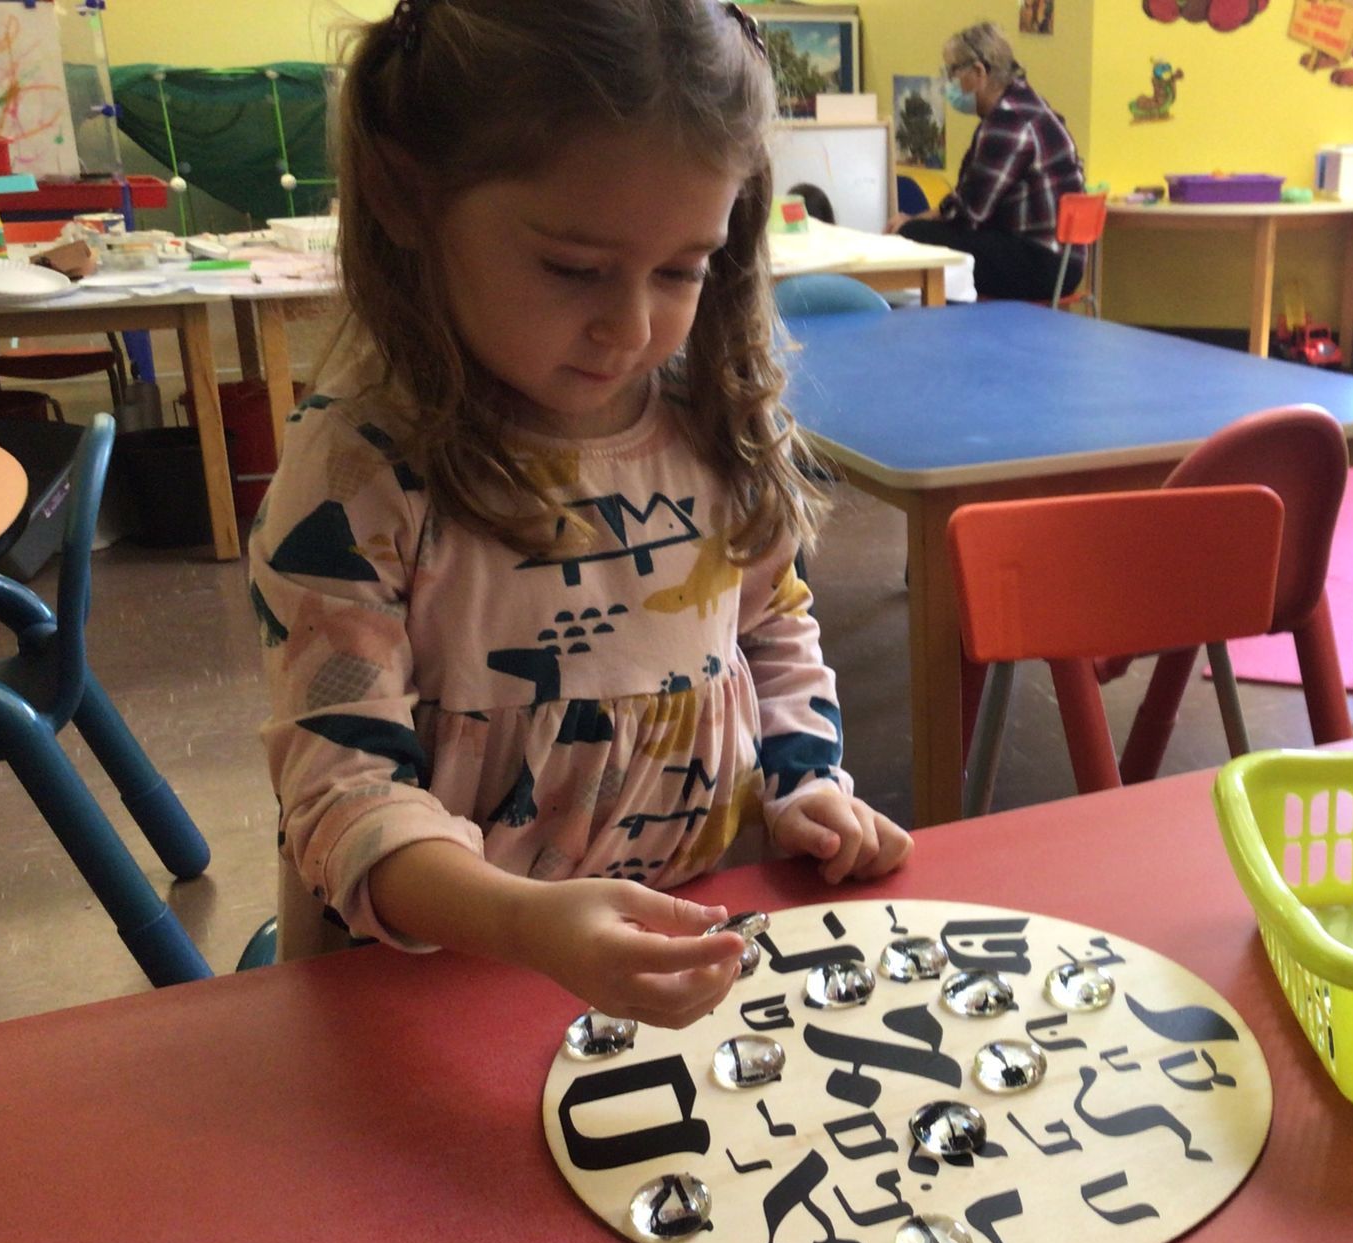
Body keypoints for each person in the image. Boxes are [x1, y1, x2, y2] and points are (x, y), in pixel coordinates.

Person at [250, 0, 911, 1026]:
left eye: (683, 269)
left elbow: (769, 624)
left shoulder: (716, 422)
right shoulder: (361, 473)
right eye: (573, 268)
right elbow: (344, 796)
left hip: (676, 975)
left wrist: (804, 775)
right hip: (437, 995)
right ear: (403, 192)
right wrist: (530, 926)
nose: (633, 325)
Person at [890, 21, 1086, 302]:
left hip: (1042, 265)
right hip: (1063, 260)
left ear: (979, 72)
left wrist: (910, 222)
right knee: (925, 232)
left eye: (952, 71)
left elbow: (968, 213)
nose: (948, 81)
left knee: (913, 235)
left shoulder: (1007, 122)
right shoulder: (1029, 104)